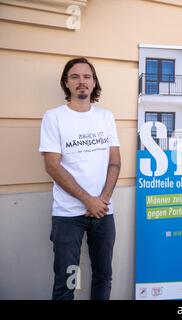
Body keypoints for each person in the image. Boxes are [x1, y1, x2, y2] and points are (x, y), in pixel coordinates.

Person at [39, 57, 121, 300]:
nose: (81, 82)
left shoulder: (106, 117)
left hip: (103, 213)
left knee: (103, 276)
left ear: (94, 83)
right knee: (67, 282)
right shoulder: (54, 117)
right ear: (66, 83)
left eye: (87, 77)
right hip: (68, 216)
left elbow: (114, 161)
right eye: (75, 77)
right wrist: (89, 201)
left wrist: (102, 200)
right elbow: (52, 166)